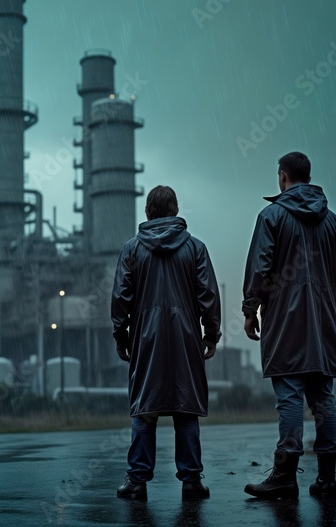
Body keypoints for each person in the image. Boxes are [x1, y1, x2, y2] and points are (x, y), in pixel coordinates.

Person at [241, 152, 336, 499]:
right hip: (322, 323)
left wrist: (250, 309)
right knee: (323, 399)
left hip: (285, 321)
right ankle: (326, 478)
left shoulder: (271, 216)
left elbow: (260, 267)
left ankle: (285, 475)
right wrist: (335, 314)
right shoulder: (333, 222)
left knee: (289, 396)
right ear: (308, 175)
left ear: (282, 177)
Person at [112, 185, 222, 501]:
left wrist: (122, 336)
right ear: (175, 210)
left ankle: (137, 482)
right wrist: (210, 335)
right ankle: (191, 481)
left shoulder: (132, 250)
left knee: (145, 410)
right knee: (185, 409)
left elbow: (121, 298)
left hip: (146, 338)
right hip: (186, 337)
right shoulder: (196, 248)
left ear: (148, 212)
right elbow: (209, 296)